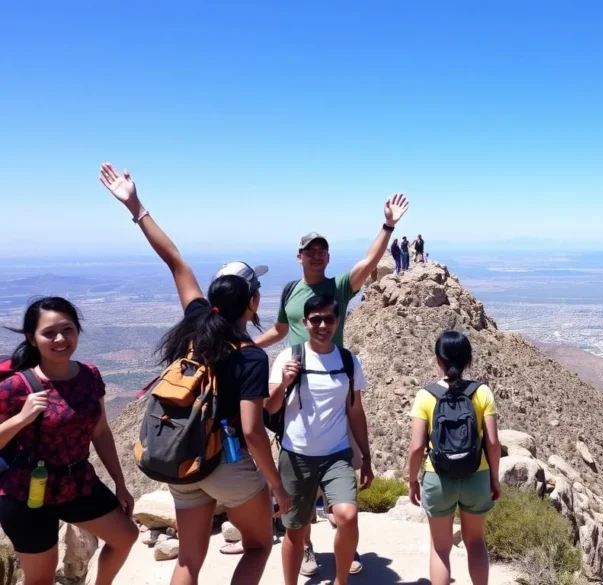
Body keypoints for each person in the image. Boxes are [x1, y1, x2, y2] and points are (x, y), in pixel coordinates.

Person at [99, 162, 291, 585]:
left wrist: (135, 205)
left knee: (189, 560)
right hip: (227, 463)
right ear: (253, 303)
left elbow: (174, 259)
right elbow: (253, 432)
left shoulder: (196, 321)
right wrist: (277, 487)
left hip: (183, 458)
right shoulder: (251, 358)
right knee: (258, 545)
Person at [254, 193, 407, 576]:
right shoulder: (291, 292)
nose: (317, 256)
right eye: (311, 251)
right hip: (294, 388)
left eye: (322, 251)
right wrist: (245, 347)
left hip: (337, 383)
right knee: (299, 501)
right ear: (299, 255)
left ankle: (342, 543)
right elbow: (280, 330)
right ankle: (305, 548)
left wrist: (387, 226)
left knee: (342, 492)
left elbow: (368, 263)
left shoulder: (337, 287)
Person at [0, 297, 138, 585]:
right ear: (32, 337)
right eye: (49, 333)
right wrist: (21, 418)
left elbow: (100, 432)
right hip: (27, 495)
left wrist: (120, 484)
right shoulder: (15, 387)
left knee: (126, 536)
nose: (60, 338)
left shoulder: (89, 375)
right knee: (41, 579)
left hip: (78, 483)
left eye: (68, 329)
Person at [267, 295, 373, 585]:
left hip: (337, 455)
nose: (323, 325)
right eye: (316, 319)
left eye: (329, 318)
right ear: (305, 323)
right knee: (295, 528)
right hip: (296, 456)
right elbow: (270, 407)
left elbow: (355, 411)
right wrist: (284, 384)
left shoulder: (349, 361)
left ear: (337, 322)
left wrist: (366, 457)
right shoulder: (289, 358)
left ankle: (341, 580)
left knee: (348, 516)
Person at [408, 331, 502, 585]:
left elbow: (416, 447)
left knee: (440, 548)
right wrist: (494, 478)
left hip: (438, 477)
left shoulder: (425, 396)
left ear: (438, 360)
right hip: (477, 476)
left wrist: (413, 481)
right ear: (469, 359)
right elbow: (493, 443)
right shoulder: (482, 392)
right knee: (475, 541)